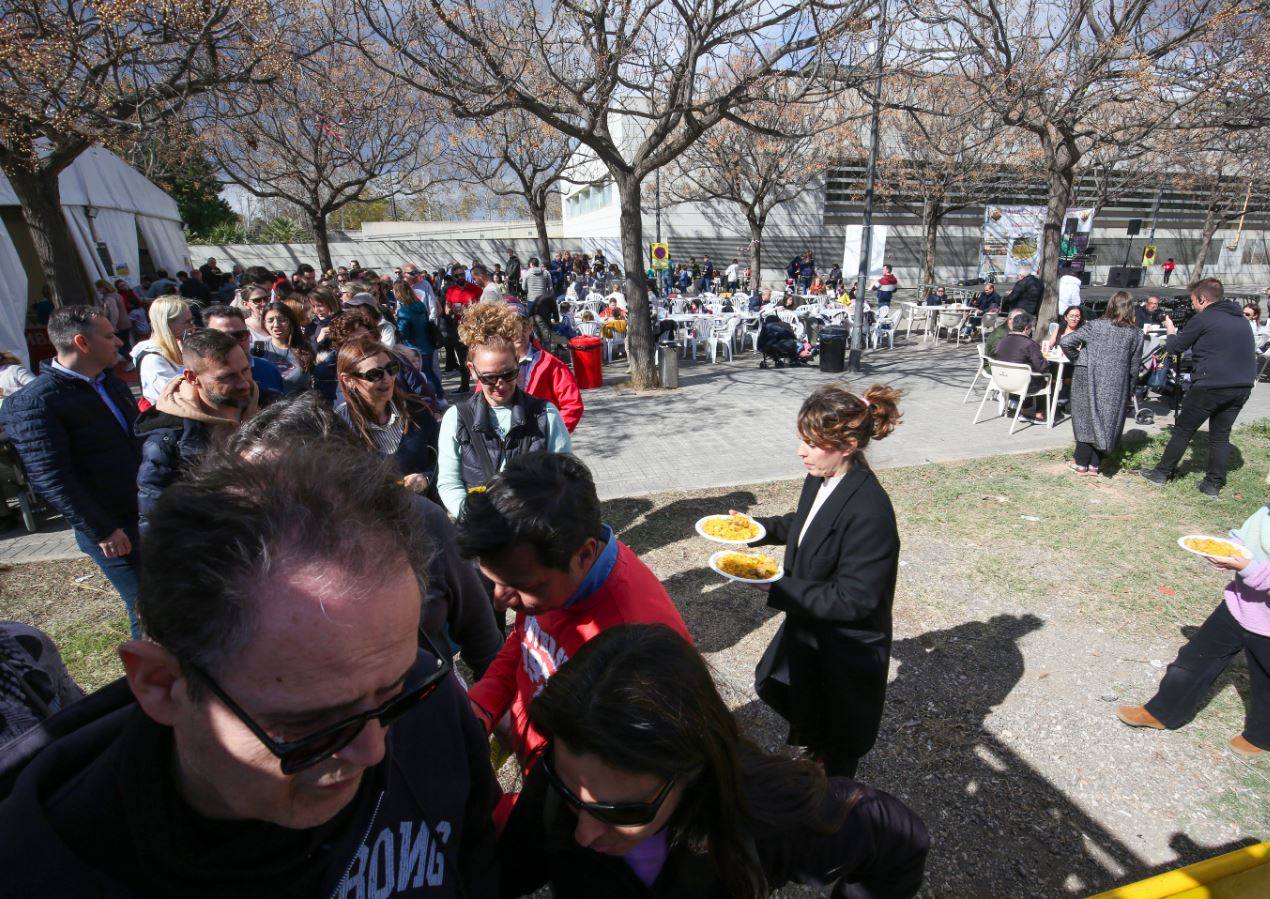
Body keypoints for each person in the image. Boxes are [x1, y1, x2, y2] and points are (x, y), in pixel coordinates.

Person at [0, 447, 502, 894]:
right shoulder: (44, 869)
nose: (374, 750)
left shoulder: (427, 697)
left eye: (393, 695)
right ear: (162, 685)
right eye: (310, 723)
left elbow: (476, 862)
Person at [498, 624, 930, 899]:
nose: (584, 833)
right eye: (569, 794)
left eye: (622, 811)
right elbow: (501, 875)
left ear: (689, 769)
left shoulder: (760, 813)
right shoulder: (567, 773)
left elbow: (896, 837)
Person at [228, 395, 504, 679]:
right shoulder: (243, 549)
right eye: (250, 487)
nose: (264, 504)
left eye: (279, 486)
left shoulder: (419, 521)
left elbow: (481, 638)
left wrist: (493, 707)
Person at [456, 453, 690, 771]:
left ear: (584, 554)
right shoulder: (543, 578)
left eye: (517, 586)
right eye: (494, 581)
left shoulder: (637, 648)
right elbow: (526, 643)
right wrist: (483, 704)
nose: (499, 601)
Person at [748, 384, 903, 778]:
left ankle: (832, 804)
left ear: (849, 444)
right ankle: (815, 754)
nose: (801, 452)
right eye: (802, 440)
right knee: (785, 688)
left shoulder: (870, 511)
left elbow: (856, 599)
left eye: (812, 443)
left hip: (846, 647)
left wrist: (778, 585)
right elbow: (806, 525)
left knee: (839, 741)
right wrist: (755, 529)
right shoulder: (822, 477)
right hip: (814, 627)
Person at [0, 307, 142, 635]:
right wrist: (102, 529)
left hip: (144, 511)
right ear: (82, 342)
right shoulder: (36, 403)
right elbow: (51, 477)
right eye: (108, 336)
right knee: (145, 607)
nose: (118, 341)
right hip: (112, 528)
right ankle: (149, 681)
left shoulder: (111, 384)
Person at [1117, 504, 1269, 758]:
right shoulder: (1265, 510)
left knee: (1265, 680)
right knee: (1193, 659)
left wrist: (1248, 568)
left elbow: (1253, 567)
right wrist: (1229, 549)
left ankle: (1261, 736)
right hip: (1239, 604)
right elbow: (1244, 538)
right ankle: (1161, 712)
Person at [435, 304, 573, 518]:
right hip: (482, 531)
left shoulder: (545, 414)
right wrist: (474, 518)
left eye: (508, 374)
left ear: (518, 363)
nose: (500, 384)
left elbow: (564, 475)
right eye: (489, 377)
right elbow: (449, 482)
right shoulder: (456, 418)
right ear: (472, 371)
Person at [1138, 278, 1257, 496]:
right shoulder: (1240, 319)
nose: (1192, 306)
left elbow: (1175, 347)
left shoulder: (1204, 318)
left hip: (1211, 385)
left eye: (1193, 301)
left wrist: (1171, 330)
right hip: (1242, 385)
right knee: (1220, 436)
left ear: (1202, 299)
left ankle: (1161, 473)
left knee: (1183, 430)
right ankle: (1212, 485)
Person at [135, 329, 260, 528]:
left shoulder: (269, 407)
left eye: (245, 370)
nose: (244, 384)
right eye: (227, 377)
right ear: (192, 377)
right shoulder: (168, 437)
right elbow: (155, 516)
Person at [336, 337, 440, 495]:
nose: (387, 378)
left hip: (423, 511)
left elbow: (444, 460)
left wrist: (426, 478)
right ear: (349, 380)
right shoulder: (339, 427)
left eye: (391, 368)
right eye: (374, 374)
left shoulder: (417, 411)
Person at [1059, 291, 1143, 476]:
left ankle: (1081, 464)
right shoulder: (1136, 333)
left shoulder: (1095, 325)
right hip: (1116, 381)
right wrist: (1130, 389)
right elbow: (1134, 366)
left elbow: (1066, 342)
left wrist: (1080, 360)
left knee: (1084, 417)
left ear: (1110, 305)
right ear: (1130, 308)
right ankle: (1094, 465)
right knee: (1106, 420)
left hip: (1087, 375)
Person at [201, 304, 285, 397]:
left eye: (239, 335)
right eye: (222, 337)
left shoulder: (268, 369)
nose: (232, 343)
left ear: (248, 336)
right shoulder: (199, 377)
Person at [130, 295, 193, 404]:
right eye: (187, 322)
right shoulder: (152, 360)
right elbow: (174, 396)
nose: (192, 326)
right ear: (168, 324)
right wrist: (189, 361)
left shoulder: (176, 347)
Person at [992, 311, 1049, 421]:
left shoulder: (1002, 341)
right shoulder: (1030, 344)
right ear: (1027, 327)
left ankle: (1025, 410)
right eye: (1031, 328)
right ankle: (1038, 413)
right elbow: (1042, 367)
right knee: (1045, 378)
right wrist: (1045, 360)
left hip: (1001, 381)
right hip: (1021, 384)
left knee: (1029, 374)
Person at [394, 279, 444, 398]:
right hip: (427, 344)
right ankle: (440, 396)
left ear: (398, 292)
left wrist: (396, 326)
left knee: (424, 375)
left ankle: (434, 398)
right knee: (429, 372)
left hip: (414, 347)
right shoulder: (420, 305)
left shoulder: (404, 310)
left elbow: (402, 332)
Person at [252, 301, 314, 396]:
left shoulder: (305, 347)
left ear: (291, 321)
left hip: (299, 406)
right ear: (264, 323)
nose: (276, 324)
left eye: (282, 319)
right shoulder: (258, 346)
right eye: (270, 320)